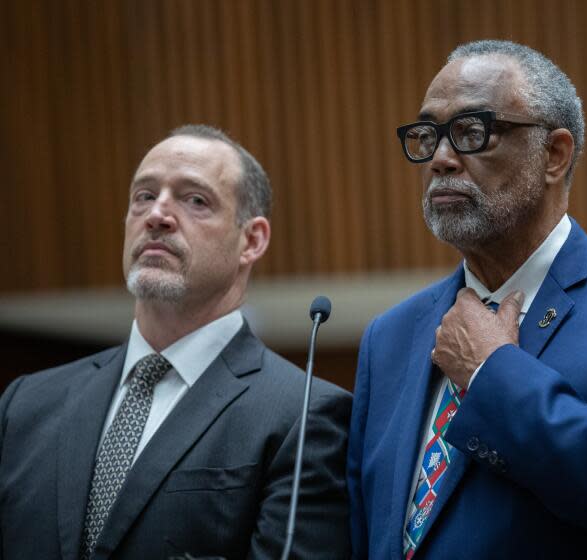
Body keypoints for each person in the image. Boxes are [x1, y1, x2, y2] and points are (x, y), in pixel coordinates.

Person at [347, 39, 587, 559]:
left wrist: (493, 376)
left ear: (554, 154)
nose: (439, 159)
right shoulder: (389, 337)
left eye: (471, 132)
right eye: (427, 135)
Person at [0, 125, 351, 559]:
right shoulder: (25, 406)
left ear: (252, 240)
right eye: (144, 196)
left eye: (195, 200)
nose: (157, 214)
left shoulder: (303, 416)